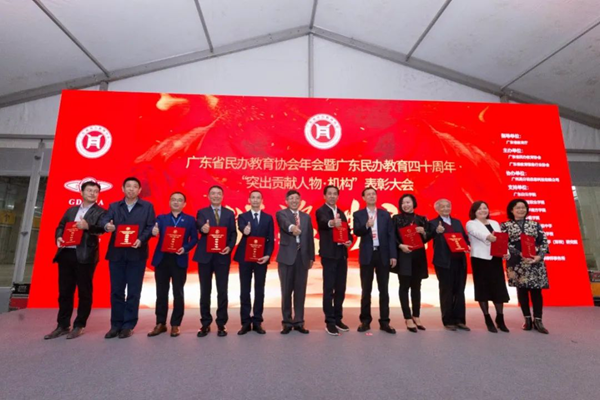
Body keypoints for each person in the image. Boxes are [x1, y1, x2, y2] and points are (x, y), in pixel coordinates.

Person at [44, 181, 106, 340]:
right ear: (81, 192)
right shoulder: (71, 210)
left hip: (85, 255)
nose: (92, 193)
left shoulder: (101, 212)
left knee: (84, 292)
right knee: (65, 291)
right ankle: (62, 325)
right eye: (89, 190)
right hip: (66, 253)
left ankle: (79, 325)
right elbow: (61, 226)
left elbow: (102, 229)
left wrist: (88, 227)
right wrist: (58, 237)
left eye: (96, 191)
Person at [101, 177, 156, 339]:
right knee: (116, 290)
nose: (131, 189)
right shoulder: (114, 206)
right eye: (128, 186)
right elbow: (105, 220)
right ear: (123, 189)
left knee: (133, 291)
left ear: (139, 190)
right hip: (117, 254)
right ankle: (115, 325)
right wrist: (107, 226)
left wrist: (141, 239)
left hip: (137, 253)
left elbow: (150, 226)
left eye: (135, 187)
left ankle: (128, 325)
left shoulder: (147, 206)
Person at [147, 192, 198, 338]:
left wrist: (185, 248)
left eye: (179, 200)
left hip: (179, 259)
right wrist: (153, 232)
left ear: (184, 204)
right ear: (169, 202)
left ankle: (176, 324)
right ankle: (160, 323)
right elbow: (153, 231)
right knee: (161, 293)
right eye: (173, 200)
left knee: (178, 293)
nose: (176, 202)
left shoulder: (190, 220)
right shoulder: (161, 218)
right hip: (162, 260)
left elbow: (194, 239)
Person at [193, 185, 237, 337]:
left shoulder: (229, 214)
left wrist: (230, 247)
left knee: (222, 291)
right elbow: (199, 225)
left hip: (222, 256)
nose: (216, 196)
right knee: (205, 291)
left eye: (219, 193)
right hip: (205, 257)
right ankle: (205, 323)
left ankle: (221, 323)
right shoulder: (202, 212)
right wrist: (202, 228)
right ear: (208, 196)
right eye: (213, 193)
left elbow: (233, 233)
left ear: (222, 196)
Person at [501, 199, 550, 334]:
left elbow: (544, 242)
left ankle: (538, 320)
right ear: (511, 210)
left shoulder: (535, 225)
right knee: (521, 290)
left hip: (534, 261)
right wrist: (519, 253)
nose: (521, 210)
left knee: (536, 291)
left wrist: (539, 256)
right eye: (517, 208)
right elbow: (504, 243)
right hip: (516, 262)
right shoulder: (505, 226)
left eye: (523, 207)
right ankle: (527, 319)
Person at [353, 187, 397, 334]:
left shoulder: (385, 214)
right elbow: (357, 231)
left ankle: (385, 322)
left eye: (373, 194)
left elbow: (391, 236)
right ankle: (365, 321)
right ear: (363, 198)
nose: (371, 196)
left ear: (376, 197)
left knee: (384, 290)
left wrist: (393, 255)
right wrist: (367, 225)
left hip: (382, 254)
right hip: (367, 255)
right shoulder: (358, 214)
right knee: (366, 289)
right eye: (368, 194)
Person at [466, 201, 511, 333]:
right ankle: (487, 318)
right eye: (479, 209)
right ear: (474, 211)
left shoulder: (495, 223)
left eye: (485, 208)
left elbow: (502, 239)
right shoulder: (471, 223)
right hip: (480, 259)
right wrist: (488, 236)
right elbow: (476, 233)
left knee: (498, 288)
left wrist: (506, 252)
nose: (483, 211)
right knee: (483, 289)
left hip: (495, 259)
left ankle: (500, 318)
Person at [234, 190, 274, 335]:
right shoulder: (243, 217)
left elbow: (270, 239)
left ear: (262, 200)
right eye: (253, 198)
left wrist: (268, 255)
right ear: (249, 200)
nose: (255, 200)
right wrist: (245, 230)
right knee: (245, 290)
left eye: (258, 198)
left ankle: (257, 321)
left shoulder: (268, 218)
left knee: (259, 290)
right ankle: (245, 322)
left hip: (261, 258)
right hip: (245, 257)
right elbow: (241, 228)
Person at [275, 190, 315, 334]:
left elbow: (309, 237)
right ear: (286, 201)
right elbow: (284, 224)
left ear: (300, 201)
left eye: (296, 198)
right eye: (291, 198)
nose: (294, 201)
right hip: (286, 258)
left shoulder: (306, 217)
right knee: (286, 291)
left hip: (302, 258)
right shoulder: (282, 214)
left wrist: (311, 257)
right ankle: (286, 322)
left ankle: (299, 321)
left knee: (300, 291)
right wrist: (292, 228)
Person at [316, 185, 353, 336]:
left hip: (341, 255)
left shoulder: (342, 213)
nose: (332, 196)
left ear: (338, 196)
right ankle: (329, 321)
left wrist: (349, 241)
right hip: (329, 255)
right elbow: (323, 223)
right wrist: (332, 223)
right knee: (328, 289)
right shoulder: (321, 211)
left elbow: (347, 231)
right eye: (329, 194)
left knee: (341, 288)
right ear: (324, 196)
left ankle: (338, 318)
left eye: (335, 194)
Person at [393, 194, 433, 333]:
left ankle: (416, 315)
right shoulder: (396, 218)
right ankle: (407, 317)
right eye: (403, 203)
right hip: (404, 255)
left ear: (413, 203)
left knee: (417, 287)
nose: (406, 205)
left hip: (418, 256)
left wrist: (424, 232)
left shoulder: (421, 219)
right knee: (404, 286)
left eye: (408, 202)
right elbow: (392, 236)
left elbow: (427, 237)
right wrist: (400, 246)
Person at [429, 199, 470, 331]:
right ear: (437, 209)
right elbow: (426, 237)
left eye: (448, 206)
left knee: (460, 290)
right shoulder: (433, 223)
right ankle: (448, 320)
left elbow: (464, 238)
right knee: (446, 291)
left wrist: (467, 245)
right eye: (442, 207)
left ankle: (460, 320)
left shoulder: (457, 222)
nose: (446, 208)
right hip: (443, 262)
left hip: (459, 260)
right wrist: (436, 231)